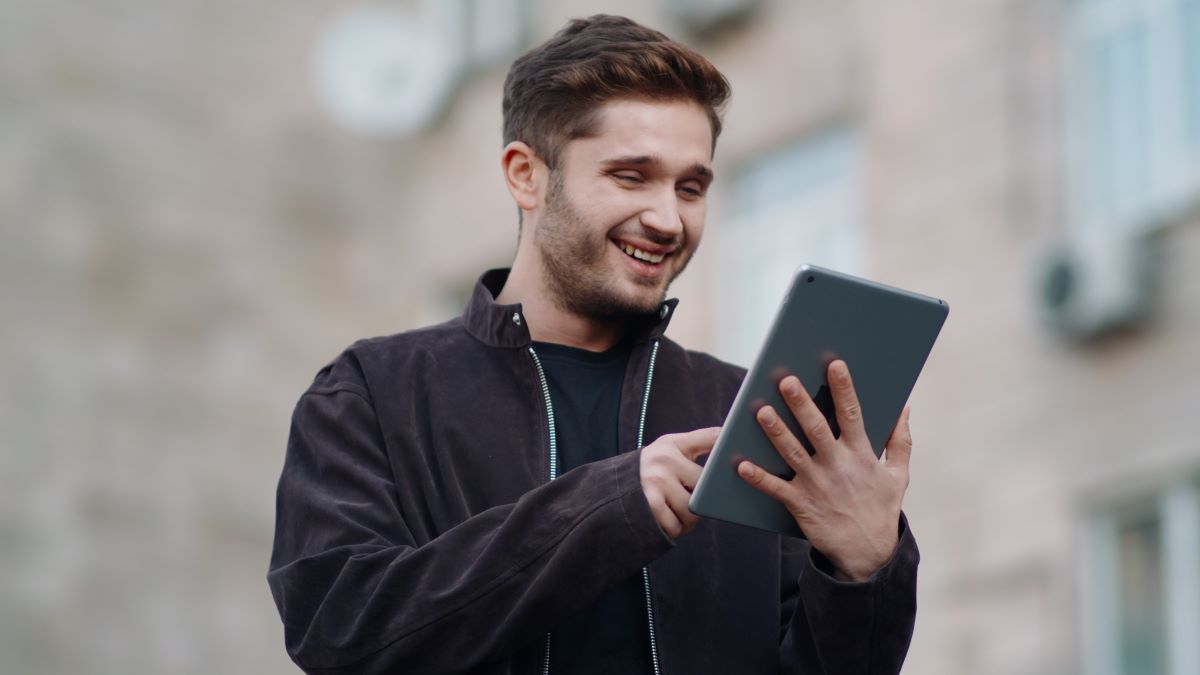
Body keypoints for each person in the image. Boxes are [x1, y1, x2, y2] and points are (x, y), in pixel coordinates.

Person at [268, 14, 918, 675]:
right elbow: (339, 631)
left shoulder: (743, 413)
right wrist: (609, 509)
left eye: (690, 187)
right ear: (526, 175)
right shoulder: (375, 393)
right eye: (631, 176)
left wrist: (862, 571)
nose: (668, 219)